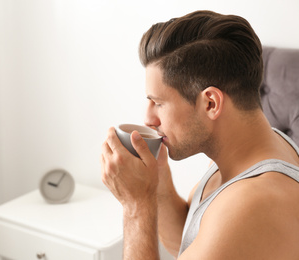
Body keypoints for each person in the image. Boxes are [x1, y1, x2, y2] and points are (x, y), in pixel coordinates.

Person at [100, 10, 299, 260]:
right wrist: (157, 178)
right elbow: (189, 241)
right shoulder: (248, 147)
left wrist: (135, 207)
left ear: (210, 104)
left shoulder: (251, 204)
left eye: (158, 103)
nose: (149, 119)